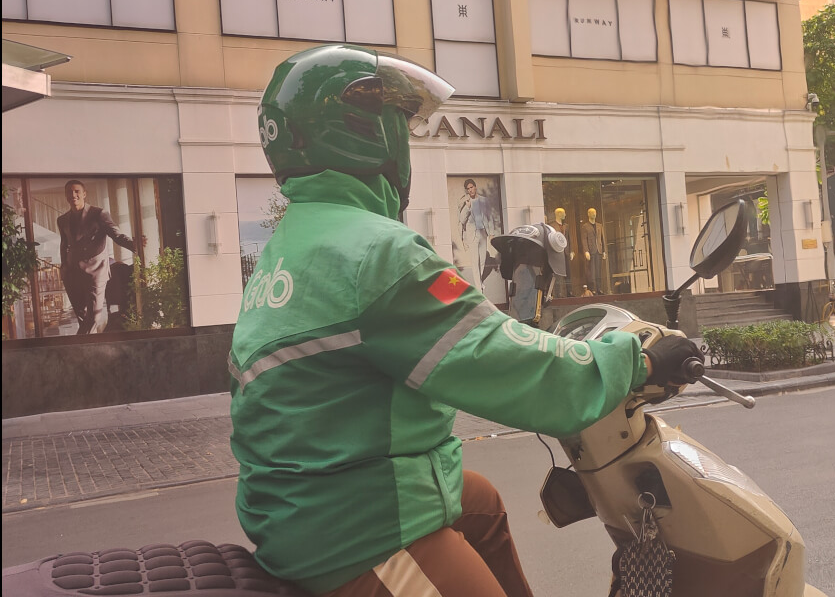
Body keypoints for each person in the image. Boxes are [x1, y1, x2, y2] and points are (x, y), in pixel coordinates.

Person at [228, 44, 703, 597]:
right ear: (364, 131)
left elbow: (467, 333)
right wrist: (638, 360)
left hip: (300, 502)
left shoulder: (294, 240)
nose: (404, 142)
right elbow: (497, 360)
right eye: (399, 126)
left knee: (482, 502)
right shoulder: (375, 252)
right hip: (353, 528)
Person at [56, 179, 137, 335]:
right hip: (72, 274)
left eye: (77, 191)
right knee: (83, 318)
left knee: (93, 318)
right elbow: (64, 245)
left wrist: (135, 245)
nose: (73, 195)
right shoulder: (62, 220)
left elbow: (116, 234)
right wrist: (64, 268)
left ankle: (82, 350)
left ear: (84, 194)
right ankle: (86, 350)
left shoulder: (98, 214)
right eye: (69, 192)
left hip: (96, 272)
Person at [458, 178, 498, 292]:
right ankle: (479, 288)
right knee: (475, 262)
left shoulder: (484, 200)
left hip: (483, 233)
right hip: (472, 235)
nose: (470, 190)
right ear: (467, 191)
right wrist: (467, 207)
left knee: (482, 261)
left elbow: (489, 216)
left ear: (475, 187)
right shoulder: (466, 202)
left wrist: (491, 233)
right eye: (468, 189)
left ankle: (479, 283)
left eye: (471, 187)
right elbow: (461, 219)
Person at [580, 207, 607, 295]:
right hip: (591, 251)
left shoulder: (599, 225)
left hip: (598, 250)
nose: (594, 214)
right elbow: (584, 239)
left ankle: (599, 288)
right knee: (591, 271)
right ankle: (593, 288)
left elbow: (602, 239)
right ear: (588, 214)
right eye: (592, 213)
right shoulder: (585, 226)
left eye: (595, 213)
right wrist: (586, 251)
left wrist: (604, 251)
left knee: (598, 271)